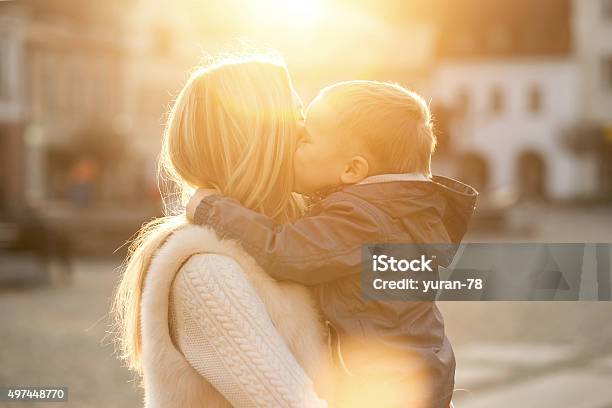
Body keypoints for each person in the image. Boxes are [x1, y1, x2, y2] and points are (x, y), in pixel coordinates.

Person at [187, 80, 478, 408]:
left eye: (305, 138)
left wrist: (210, 207)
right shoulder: (398, 213)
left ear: (352, 169)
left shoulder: (363, 219)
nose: (292, 142)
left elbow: (283, 251)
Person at [111, 56, 329, 408]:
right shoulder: (207, 274)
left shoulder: (293, 246)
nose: (309, 134)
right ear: (259, 142)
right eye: (299, 119)